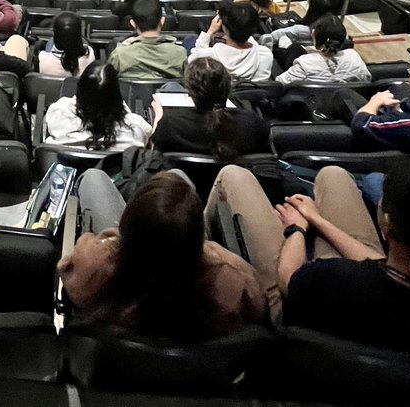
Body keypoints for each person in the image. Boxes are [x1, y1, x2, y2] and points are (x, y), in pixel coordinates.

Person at [251, 157, 410, 348]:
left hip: (305, 323)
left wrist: (296, 228)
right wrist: (317, 219)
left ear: (387, 225)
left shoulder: (331, 279)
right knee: (333, 173)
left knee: (235, 175)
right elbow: (382, 264)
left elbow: (287, 280)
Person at [59, 169, 266, 341]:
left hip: (116, 366)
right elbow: (259, 307)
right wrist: (211, 251)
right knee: (177, 177)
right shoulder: (232, 288)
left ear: (125, 225)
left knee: (93, 176)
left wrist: (110, 239)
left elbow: (67, 267)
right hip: (194, 373)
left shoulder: (92, 274)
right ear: (196, 239)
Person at [151, 57, 270, 158]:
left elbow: (154, 150)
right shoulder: (254, 123)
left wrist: (158, 118)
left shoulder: (171, 124)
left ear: (190, 92)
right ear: (228, 87)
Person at [44, 61, 151, 150]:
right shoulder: (135, 126)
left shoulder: (59, 113)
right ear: (117, 94)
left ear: (80, 91)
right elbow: (151, 141)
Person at [274, 14, 370, 84]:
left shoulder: (305, 63)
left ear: (315, 36)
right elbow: (366, 80)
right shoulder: (354, 57)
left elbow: (279, 83)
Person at [190, 4, 274, 82]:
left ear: (224, 27)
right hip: (253, 93)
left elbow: (192, 62)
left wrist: (210, 31)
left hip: (220, 94)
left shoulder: (207, 57)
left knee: (190, 39)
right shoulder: (265, 55)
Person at [108, 0, 188, 80]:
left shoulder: (120, 54)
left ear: (133, 24)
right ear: (162, 21)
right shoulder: (180, 53)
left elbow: (108, 81)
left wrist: (122, 47)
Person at [38, 12, 95, 78]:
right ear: (79, 35)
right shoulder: (90, 55)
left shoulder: (42, 59)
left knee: (50, 41)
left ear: (55, 34)